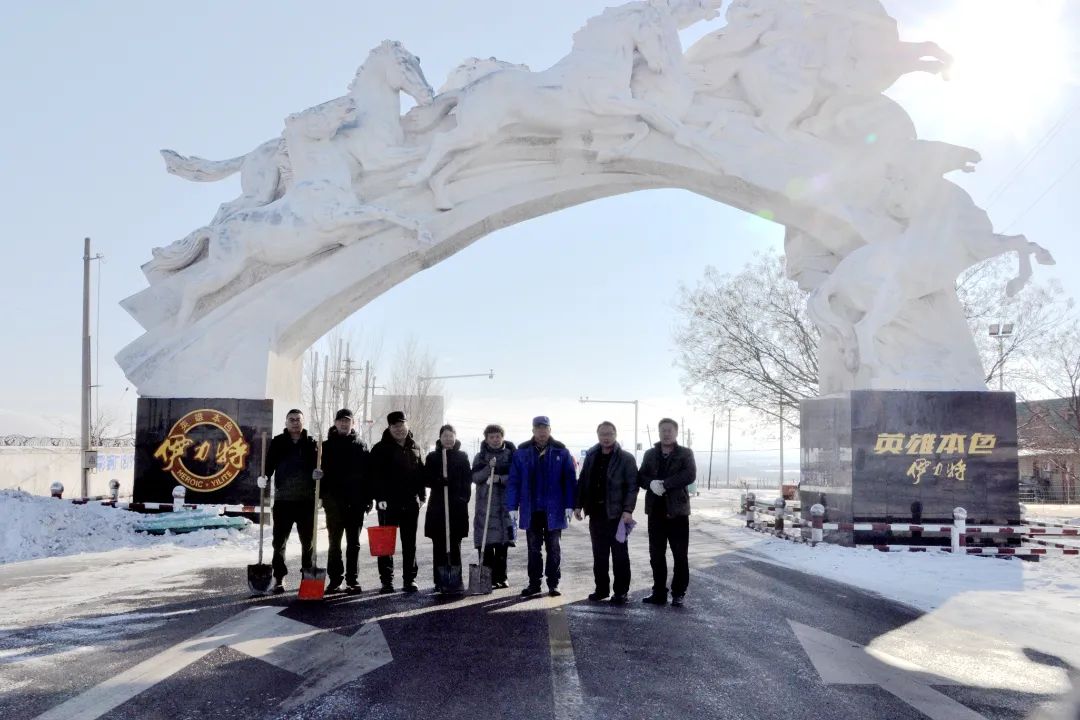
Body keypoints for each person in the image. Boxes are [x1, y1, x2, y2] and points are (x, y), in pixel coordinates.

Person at [506, 416, 578, 597]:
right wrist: (512, 506)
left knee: (554, 548)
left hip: (555, 509)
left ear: (550, 430)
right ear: (533, 431)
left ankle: (554, 583)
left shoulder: (562, 452)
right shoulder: (521, 452)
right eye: (538, 428)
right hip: (531, 510)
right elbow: (514, 481)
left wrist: (570, 504)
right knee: (533, 549)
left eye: (544, 428)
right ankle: (534, 583)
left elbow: (570, 480)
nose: (541, 432)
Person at [574, 421, 638, 604]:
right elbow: (583, 481)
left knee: (620, 556)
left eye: (609, 434)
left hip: (617, 515)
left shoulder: (626, 458)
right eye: (602, 434)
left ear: (615, 434)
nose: (606, 437)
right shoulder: (591, 456)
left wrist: (628, 510)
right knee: (599, 555)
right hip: (596, 514)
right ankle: (601, 589)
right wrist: (578, 505)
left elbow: (632, 486)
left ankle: (621, 592)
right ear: (598, 435)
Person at [638, 417, 697, 607]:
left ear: (676, 432)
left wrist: (665, 484)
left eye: (670, 430)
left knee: (680, 555)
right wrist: (650, 483)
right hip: (655, 511)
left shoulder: (685, 453)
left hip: (678, 512)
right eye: (663, 430)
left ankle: (678, 592)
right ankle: (659, 592)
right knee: (656, 555)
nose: (666, 433)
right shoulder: (650, 454)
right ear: (659, 432)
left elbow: (689, 475)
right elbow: (641, 476)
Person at [259, 408, 318, 594]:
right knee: (279, 542)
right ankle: (279, 577)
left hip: (306, 501)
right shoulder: (278, 442)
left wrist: (319, 474)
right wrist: (264, 476)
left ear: (303, 422)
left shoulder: (312, 443)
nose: (295, 422)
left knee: (308, 542)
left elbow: (319, 466)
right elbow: (268, 465)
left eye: (298, 419)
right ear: (286, 422)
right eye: (291, 419)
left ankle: (307, 576)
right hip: (283, 500)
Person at [369, 410, 426, 593]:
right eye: (395, 426)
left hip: (410, 502)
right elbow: (374, 477)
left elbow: (420, 474)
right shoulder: (380, 449)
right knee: (386, 542)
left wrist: (422, 496)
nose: (399, 429)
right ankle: (387, 581)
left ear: (407, 425)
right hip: (388, 503)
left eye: (401, 425)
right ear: (389, 428)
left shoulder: (415, 447)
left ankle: (410, 579)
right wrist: (379, 498)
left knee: (409, 543)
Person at [320, 408, 370, 594]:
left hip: (356, 503)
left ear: (353, 423)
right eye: (340, 420)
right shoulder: (325, 446)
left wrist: (367, 499)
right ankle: (335, 580)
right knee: (334, 543)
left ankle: (352, 580)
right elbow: (319, 473)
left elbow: (368, 475)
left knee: (353, 543)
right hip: (333, 503)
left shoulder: (361, 446)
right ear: (335, 423)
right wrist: (321, 490)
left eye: (347, 420)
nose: (344, 423)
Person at [424, 424, 472, 593]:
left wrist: (463, 498)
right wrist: (439, 481)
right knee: (439, 544)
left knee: (455, 543)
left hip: (457, 506)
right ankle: (440, 580)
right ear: (440, 438)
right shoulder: (432, 457)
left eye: (451, 436)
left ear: (455, 437)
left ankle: (456, 580)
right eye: (445, 436)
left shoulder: (462, 457)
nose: (448, 439)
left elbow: (467, 480)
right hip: (438, 507)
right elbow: (426, 479)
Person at [471, 424, 516, 589]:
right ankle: (486, 578)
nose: (495, 440)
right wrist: (487, 469)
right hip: (485, 507)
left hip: (504, 505)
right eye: (492, 437)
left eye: (498, 436)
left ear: (503, 437)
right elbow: (475, 477)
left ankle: (502, 577)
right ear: (486, 439)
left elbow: (517, 477)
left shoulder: (511, 455)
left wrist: (500, 478)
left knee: (502, 545)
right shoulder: (480, 456)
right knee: (486, 544)